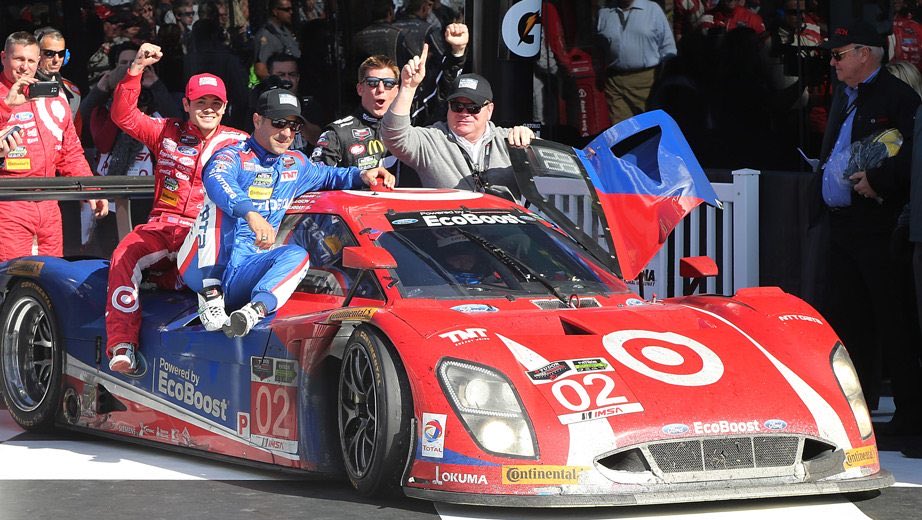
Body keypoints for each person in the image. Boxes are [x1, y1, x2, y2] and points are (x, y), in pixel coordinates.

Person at [177, 89, 395, 337]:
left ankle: (253, 312)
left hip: (246, 272)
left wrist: (362, 175)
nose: (286, 133)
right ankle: (210, 294)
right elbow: (216, 178)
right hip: (201, 265)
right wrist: (251, 214)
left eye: (293, 126)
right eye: (279, 123)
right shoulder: (232, 155)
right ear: (257, 121)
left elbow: (329, 175)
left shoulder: (296, 163)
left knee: (297, 255)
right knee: (219, 203)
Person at [104, 42, 248, 373]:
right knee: (124, 254)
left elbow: (278, 168)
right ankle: (122, 345)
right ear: (186, 103)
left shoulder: (240, 143)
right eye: (201, 102)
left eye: (216, 103)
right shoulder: (167, 131)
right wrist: (136, 69)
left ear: (225, 107)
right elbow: (123, 115)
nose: (208, 108)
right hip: (159, 229)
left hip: (201, 238)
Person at [810, 20, 922, 434]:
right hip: (842, 225)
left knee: (892, 322)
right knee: (846, 321)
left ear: (865, 54)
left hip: (878, 225)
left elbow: (914, 153)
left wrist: (881, 180)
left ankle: (910, 418)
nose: (833, 63)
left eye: (839, 55)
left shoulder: (898, 96)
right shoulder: (847, 95)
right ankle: (857, 413)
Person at [0, 31, 108, 261]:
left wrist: (91, 190)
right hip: (8, 203)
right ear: (3, 58)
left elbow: (70, 152)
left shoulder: (54, 97)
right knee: (11, 280)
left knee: (50, 278)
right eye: (18, 59)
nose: (24, 67)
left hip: (49, 202)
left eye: (31, 60)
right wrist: (6, 105)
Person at [380, 45, 536, 197]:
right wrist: (408, 87)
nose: (464, 113)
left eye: (473, 107)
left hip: (502, 222)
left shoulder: (509, 140)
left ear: (489, 110)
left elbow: (549, 167)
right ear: (448, 107)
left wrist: (531, 141)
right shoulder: (433, 140)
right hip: (449, 222)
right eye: (457, 106)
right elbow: (394, 136)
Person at [311, 55, 400, 172]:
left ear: (397, 90)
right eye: (372, 83)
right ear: (360, 89)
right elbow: (316, 177)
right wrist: (357, 177)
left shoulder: (411, 128)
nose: (381, 89)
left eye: (389, 83)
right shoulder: (337, 133)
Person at [596, 0, 677, 125]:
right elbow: (599, 48)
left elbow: (668, 47)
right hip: (615, 82)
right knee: (622, 131)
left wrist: (664, 78)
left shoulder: (652, 10)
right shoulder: (604, 13)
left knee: (650, 126)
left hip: (647, 82)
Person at [391, 1, 469, 125]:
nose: (380, 88)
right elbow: (441, 56)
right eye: (373, 82)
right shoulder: (428, 29)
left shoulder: (393, 27)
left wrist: (457, 51)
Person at [34, 28, 81, 131]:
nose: (56, 60)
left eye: (61, 54)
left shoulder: (72, 92)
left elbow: (76, 132)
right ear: (36, 54)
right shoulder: (19, 87)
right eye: (49, 53)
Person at [253, 0, 301, 82]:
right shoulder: (267, 35)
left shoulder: (285, 31)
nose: (291, 12)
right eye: (286, 9)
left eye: (291, 9)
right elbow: (260, 69)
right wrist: (276, 86)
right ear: (275, 11)